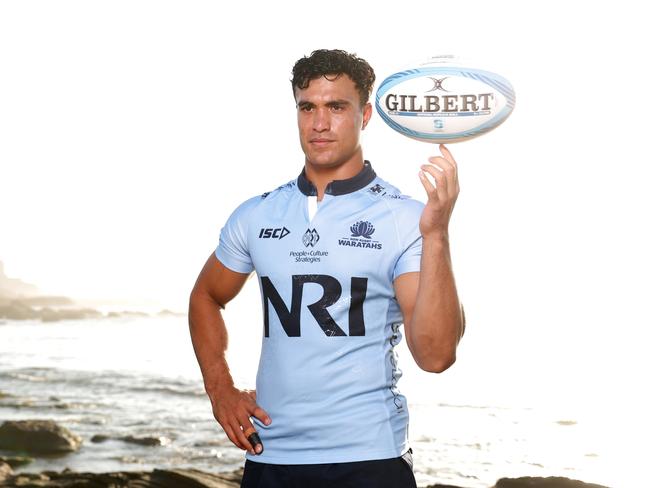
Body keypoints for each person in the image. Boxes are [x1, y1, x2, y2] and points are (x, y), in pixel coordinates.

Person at [188, 49, 465, 488]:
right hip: (272, 456)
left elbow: (435, 355)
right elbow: (206, 296)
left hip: (370, 458)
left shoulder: (406, 218)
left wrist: (437, 235)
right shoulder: (256, 215)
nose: (320, 123)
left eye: (336, 107)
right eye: (307, 107)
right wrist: (220, 390)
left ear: (365, 115)